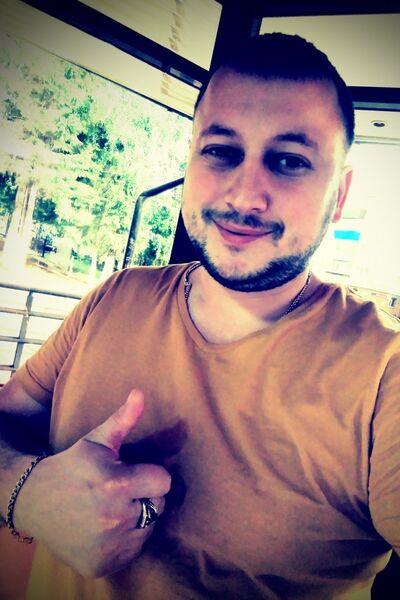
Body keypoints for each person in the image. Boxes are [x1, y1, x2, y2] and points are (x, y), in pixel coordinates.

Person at [0, 33, 399, 600]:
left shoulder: (384, 374)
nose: (245, 194)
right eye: (221, 151)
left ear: (339, 195)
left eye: (290, 161)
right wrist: (26, 492)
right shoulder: (115, 297)